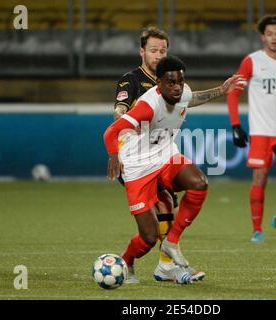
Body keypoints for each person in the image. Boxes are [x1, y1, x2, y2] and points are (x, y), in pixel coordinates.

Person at [104, 55, 246, 283]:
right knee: (149, 237)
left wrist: (222, 90)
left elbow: (192, 98)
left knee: (199, 183)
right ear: (158, 83)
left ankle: (171, 243)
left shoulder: (182, 91)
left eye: (180, 81)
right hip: (137, 167)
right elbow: (111, 131)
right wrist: (113, 156)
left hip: (166, 157)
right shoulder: (148, 107)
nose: (177, 87)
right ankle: (127, 261)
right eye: (171, 82)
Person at [113, 27, 204, 283]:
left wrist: (222, 90)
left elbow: (190, 98)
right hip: (135, 159)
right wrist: (125, 120)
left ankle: (166, 266)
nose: (158, 54)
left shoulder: (170, 80)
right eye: (153, 50)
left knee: (168, 204)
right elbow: (119, 108)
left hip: (161, 156)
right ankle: (150, 263)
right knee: (153, 226)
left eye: (162, 50)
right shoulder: (131, 80)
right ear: (142, 51)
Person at [226, 15, 276, 244]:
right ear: (263, 36)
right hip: (261, 131)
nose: (274, 37)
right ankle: (257, 229)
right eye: (270, 33)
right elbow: (234, 93)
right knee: (260, 177)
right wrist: (235, 125)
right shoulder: (252, 61)